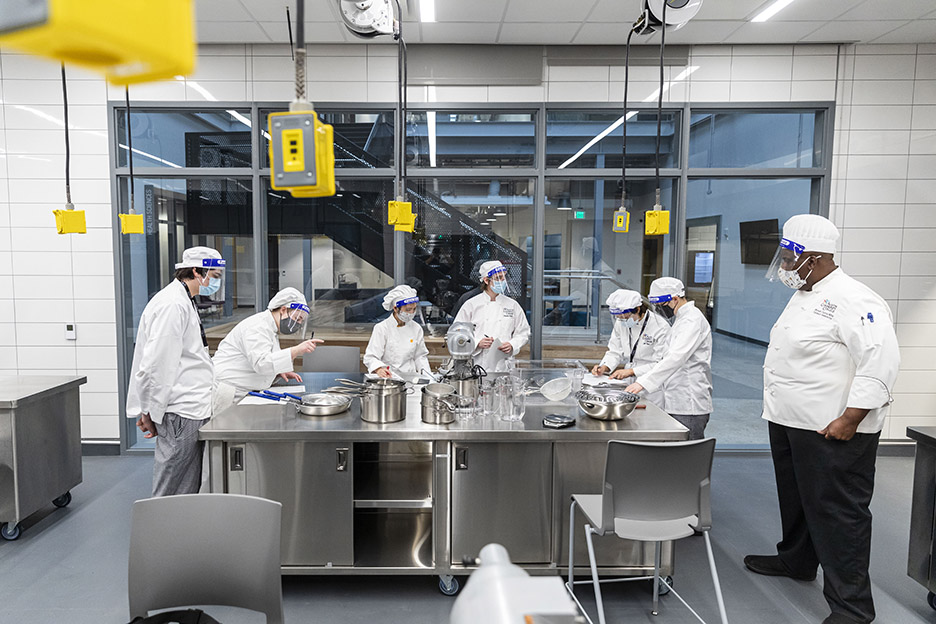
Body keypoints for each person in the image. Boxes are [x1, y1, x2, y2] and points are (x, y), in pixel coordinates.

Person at [743, 215, 900, 624]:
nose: (784, 266)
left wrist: (850, 418)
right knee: (796, 499)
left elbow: (880, 363)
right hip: (791, 420)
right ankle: (796, 560)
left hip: (832, 428)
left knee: (838, 513)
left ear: (812, 257)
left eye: (788, 257)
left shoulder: (856, 299)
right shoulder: (806, 293)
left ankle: (852, 608)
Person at [125, 246, 225, 497]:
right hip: (182, 411)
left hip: (191, 408)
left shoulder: (183, 300)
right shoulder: (172, 305)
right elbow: (157, 366)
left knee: (186, 485)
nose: (216, 281)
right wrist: (148, 411)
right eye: (214, 275)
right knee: (170, 485)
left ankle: (178, 533)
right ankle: (157, 534)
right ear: (195, 271)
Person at [611, 277, 712, 440]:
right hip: (674, 398)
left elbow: (675, 358)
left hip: (688, 402)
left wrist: (641, 382)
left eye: (662, 305)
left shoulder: (692, 320)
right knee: (674, 455)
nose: (659, 310)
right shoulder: (681, 320)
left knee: (687, 456)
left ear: (674, 299)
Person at [211, 287, 324, 413]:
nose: (297, 324)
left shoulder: (270, 329)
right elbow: (262, 363)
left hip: (244, 392)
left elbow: (266, 358)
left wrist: (278, 372)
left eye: (301, 321)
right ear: (283, 310)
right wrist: (296, 351)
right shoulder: (257, 327)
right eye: (297, 318)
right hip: (229, 392)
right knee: (223, 430)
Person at [591, 288, 669, 409]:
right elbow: (615, 351)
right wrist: (604, 367)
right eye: (618, 317)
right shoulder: (621, 322)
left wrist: (630, 372)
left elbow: (662, 363)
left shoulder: (660, 326)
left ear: (637, 309)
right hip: (628, 382)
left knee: (650, 418)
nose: (622, 320)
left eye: (625, 317)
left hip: (651, 382)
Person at [453, 260, 530, 373]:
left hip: (504, 364)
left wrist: (512, 344)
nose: (502, 281)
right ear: (486, 280)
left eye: (503, 278)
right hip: (478, 364)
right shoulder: (472, 304)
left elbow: (524, 332)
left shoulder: (512, 305)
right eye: (498, 278)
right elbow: (457, 333)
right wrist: (477, 342)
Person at [363, 285, 431, 379]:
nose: (411, 313)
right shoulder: (382, 328)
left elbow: (420, 356)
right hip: (389, 379)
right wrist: (379, 369)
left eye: (414, 309)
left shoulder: (416, 328)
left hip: (410, 379)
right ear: (395, 309)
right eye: (407, 310)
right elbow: (370, 357)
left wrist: (429, 378)